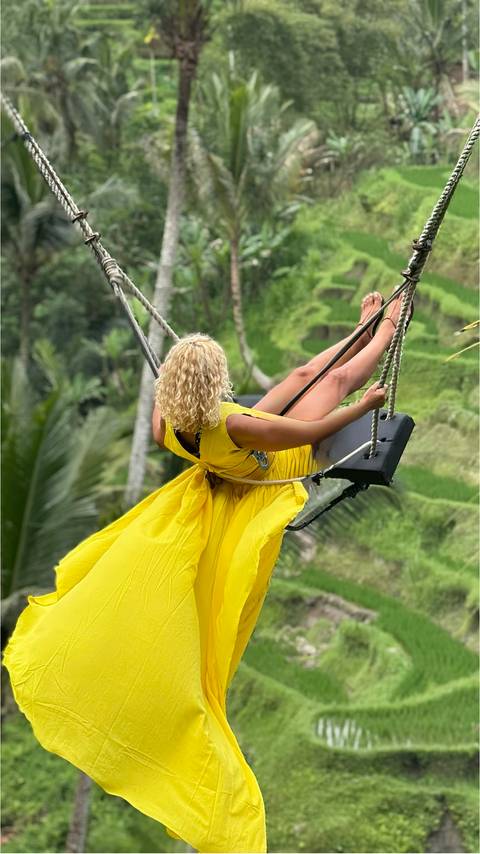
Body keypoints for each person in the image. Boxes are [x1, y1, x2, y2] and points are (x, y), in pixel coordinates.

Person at [2, 289, 408, 853]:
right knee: (331, 384)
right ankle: (387, 327)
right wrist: (367, 407)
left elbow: (274, 392)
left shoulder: (167, 424)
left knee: (302, 375)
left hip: (230, 457)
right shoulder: (236, 422)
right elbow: (310, 437)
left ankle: (367, 325)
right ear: (213, 383)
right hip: (270, 467)